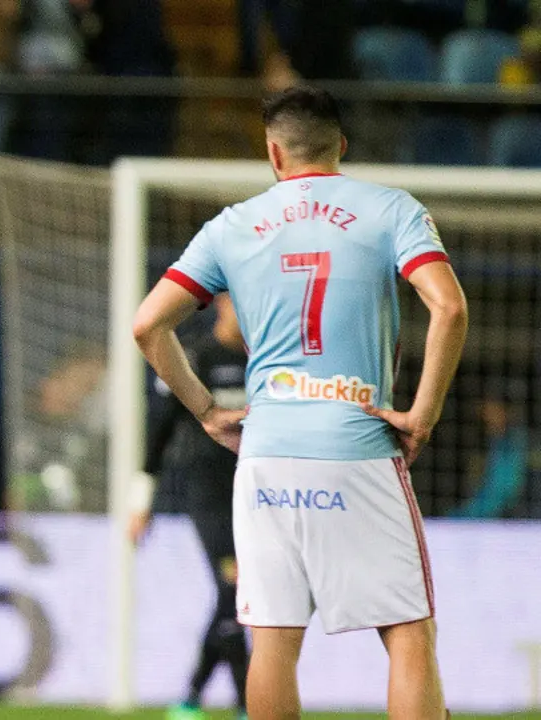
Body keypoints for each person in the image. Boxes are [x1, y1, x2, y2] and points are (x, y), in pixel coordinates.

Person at [133, 86, 467, 719]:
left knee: (275, 644)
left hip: (266, 455)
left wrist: (205, 410)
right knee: (407, 635)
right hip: (356, 441)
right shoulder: (390, 208)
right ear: (340, 147)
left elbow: (148, 326)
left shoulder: (231, 225)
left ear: (274, 154)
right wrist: (422, 414)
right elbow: (448, 306)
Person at [129, 293, 249, 718]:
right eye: (240, 300)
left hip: (257, 495)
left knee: (236, 598)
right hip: (208, 492)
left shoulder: (268, 361)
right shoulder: (196, 357)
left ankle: (192, 697)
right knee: (234, 588)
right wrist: (141, 502)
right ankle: (245, 703)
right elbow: (159, 430)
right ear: (221, 303)